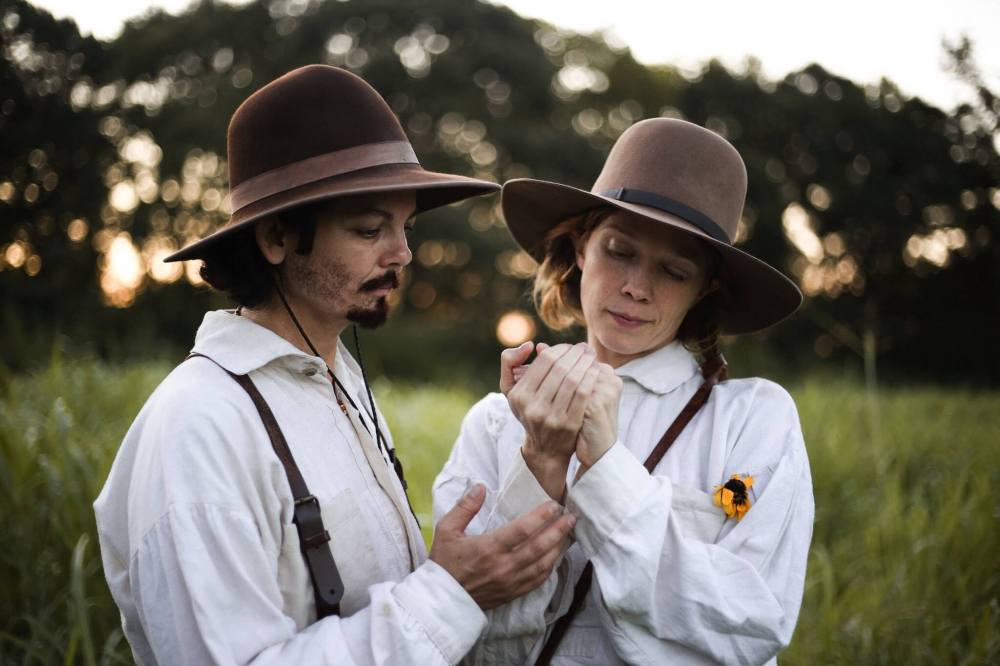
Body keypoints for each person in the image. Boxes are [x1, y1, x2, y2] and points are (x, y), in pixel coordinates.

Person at [93, 65, 576, 666]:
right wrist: (451, 593)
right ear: (275, 239)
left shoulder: (336, 379)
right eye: (370, 228)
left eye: (404, 227)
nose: (401, 253)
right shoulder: (198, 427)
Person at [433, 118, 814, 665]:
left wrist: (607, 464)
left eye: (674, 270)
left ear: (704, 287)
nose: (637, 286)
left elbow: (750, 623)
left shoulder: (754, 420)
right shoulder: (498, 420)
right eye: (619, 251)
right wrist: (540, 459)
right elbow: (468, 638)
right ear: (581, 246)